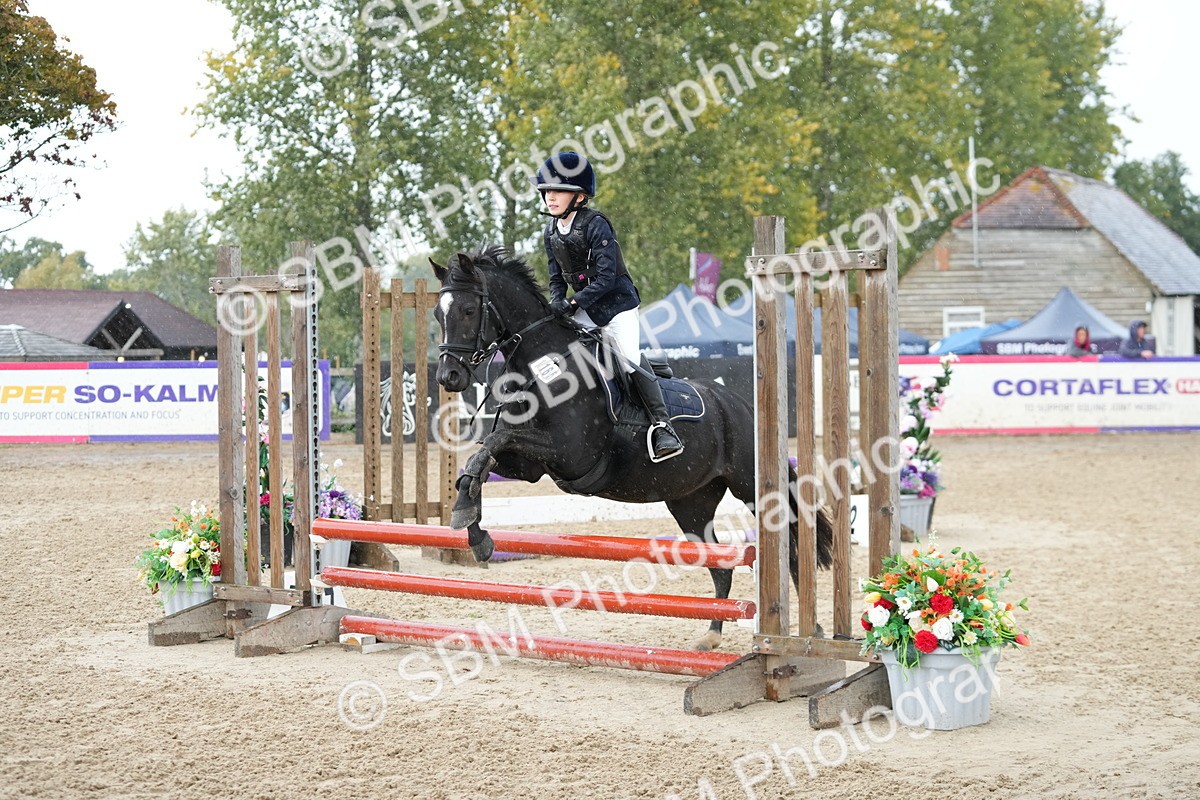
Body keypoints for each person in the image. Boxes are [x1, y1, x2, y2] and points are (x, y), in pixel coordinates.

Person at [531, 151, 684, 461]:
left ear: (580, 195)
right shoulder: (550, 232)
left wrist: (572, 303)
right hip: (586, 307)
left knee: (626, 362)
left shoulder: (596, 224)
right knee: (556, 353)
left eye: (558, 190)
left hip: (617, 305)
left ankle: (662, 426)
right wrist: (556, 303)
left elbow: (605, 279)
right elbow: (556, 278)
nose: (550, 197)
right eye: (547, 191)